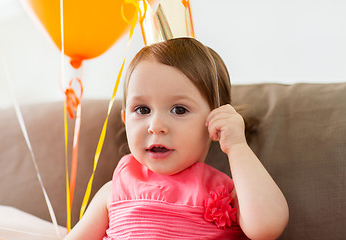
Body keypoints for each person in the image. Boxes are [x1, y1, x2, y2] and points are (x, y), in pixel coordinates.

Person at [64, 37, 289, 240]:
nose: (156, 126)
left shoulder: (229, 192)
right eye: (142, 110)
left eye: (179, 110)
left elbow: (266, 228)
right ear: (125, 118)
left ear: (214, 120)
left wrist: (237, 146)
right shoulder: (114, 191)